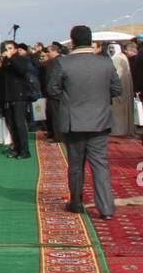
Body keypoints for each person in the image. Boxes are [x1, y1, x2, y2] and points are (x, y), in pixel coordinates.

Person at [47, 26, 122, 218]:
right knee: (100, 165)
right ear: (91, 41)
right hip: (100, 120)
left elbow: (52, 89)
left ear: (72, 41)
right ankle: (106, 209)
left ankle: (76, 202)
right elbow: (116, 89)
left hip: (74, 121)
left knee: (75, 165)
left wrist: (69, 98)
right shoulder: (105, 63)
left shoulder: (63, 63)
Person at [0, 41, 34, 159]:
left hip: (19, 97)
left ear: (16, 49)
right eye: (6, 49)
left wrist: (11, 58)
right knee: (11, 124)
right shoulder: (6, 62)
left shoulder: (20, 59)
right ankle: (16, 148)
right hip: (8, 97)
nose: (7, 51)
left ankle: (24, 150)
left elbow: (21, 70)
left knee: (19, 124)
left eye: (10, 48)